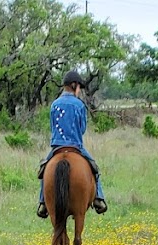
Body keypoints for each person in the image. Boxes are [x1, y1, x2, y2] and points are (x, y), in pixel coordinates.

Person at [37, 71, 108, 218]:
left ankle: (43, 202)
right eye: (79, 88)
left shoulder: (54, 104)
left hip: (57, 146)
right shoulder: (79, 105)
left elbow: (52, 127)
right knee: (94, 168)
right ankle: (99, 198)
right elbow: (82, 129)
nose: (79, 91)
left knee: (44, 170)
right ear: (74, 85)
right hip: (76, 146)